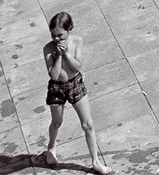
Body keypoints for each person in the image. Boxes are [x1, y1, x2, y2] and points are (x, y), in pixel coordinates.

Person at [43, 12, 109, 174]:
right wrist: (58, 55)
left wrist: (66, 54)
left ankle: (95, 161)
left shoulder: (77, 41)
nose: (56, 39)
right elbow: (54, 75)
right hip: (57, 88)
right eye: (53, 35)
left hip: (75, 84)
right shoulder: (48, 48)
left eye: (60, 35)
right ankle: (51, 147)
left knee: (88, 124)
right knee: (57, 122)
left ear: (69, 29)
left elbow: (77, 66)